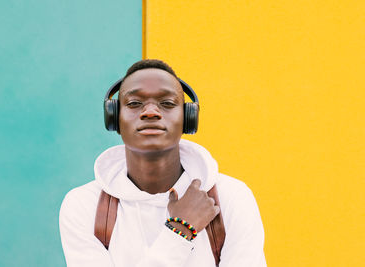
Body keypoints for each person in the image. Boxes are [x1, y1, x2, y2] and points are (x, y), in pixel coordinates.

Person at [59, 59, 267, 266]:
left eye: (167, 103)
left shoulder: (230, 198)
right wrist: (180, 231)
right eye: (134, 103)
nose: (150, 112)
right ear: (114, 118)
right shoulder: (84, 205)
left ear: (188, 119)